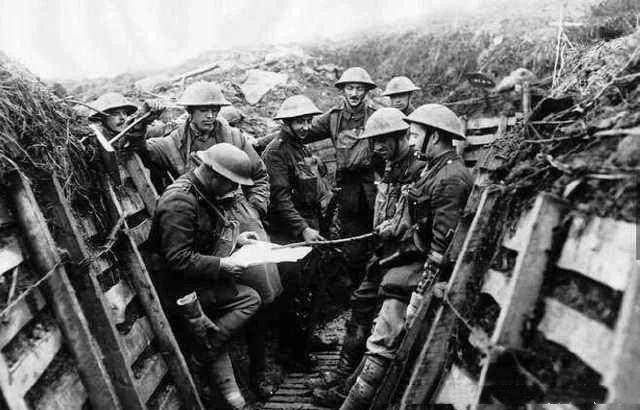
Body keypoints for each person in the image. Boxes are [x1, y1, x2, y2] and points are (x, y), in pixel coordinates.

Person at [132, 82, 281, 397]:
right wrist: (143, 119)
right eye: (203, 110)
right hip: (201, 229)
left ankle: (260, 370)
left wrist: (253, 210)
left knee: (264, 291)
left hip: (235, 219)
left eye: (215, 109)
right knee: (240, 295)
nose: (210, 115)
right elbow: (139, 149)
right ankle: (217, 361)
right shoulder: (174, 144)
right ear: (190, 112)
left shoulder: (234, 137)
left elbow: (259, 175)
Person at [337, 104, 473, 409]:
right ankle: (351, 391)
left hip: (419, 269)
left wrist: (419, 295)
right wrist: (391, 227)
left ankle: (356, 401)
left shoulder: (451, 178)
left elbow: (441, 247)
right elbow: (412, 215)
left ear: (434, 136)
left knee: (384, 334)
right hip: (409, 259)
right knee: (379, 324)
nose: (411, 141)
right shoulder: (433, 169)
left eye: (415, 135)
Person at [311, 107, 426, 405]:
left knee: (379, 319)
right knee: (361, 302)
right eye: (374, 141)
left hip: (405, 255)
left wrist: (391, 228)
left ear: (401, 137)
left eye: (383, 141)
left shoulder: (417, 169)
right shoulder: (389, 165)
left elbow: (414, 222)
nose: (377, 147)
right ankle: (343, 374)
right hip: (384, 252)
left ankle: (350, 386)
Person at [148, 143, 262, 409]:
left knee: (249, 296)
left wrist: (237, 241)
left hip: (194, 280)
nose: (234, 189)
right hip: (179, 290)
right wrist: (222, 265)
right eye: (231, 183)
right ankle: (204, 353)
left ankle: (208, 351)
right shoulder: (180, 201)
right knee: (250, 299)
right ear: (213, 174)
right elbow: (178, 258)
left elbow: (203, 237)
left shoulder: (201, 192)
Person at [262, 95, 337, 370]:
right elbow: (280, 200)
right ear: (286, 123)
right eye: (299, 122)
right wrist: (303, 229)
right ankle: (291, 355)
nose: (305, 126)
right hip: (289, 233)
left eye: (307, 121)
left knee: (312, 286)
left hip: (310, 225)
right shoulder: (276, 152)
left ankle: (306, 339)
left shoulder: (302, 147)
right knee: (293, 291)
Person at [307, 66, 378, 289]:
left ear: (366, 91)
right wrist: (260, 143)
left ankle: (375, 286)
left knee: (378, 238)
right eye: (350, 88)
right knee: (353, 244)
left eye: (359, 89)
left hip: (373, 185)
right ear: (343, 90)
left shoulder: (376, 116)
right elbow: (303, 130)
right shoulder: (334, 117)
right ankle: (356, 289)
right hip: (348, 188)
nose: (354, 93)